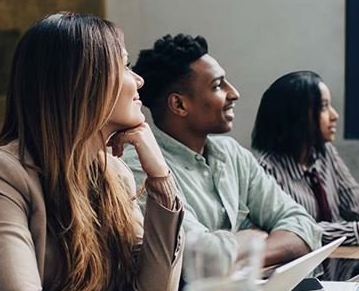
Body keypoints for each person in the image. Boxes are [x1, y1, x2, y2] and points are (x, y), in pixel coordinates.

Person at [0, 13, 184, 291]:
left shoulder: (114, 172)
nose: (139, 80)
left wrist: (160, 178)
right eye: (124, 66)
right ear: (82, 84)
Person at [123, 34, 321, 268]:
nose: (234, 93)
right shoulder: (141, 166)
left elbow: (305, 226)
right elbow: (198, 260)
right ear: (179, 105)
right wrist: (254, 237)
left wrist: (253, 249)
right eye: (217, 86)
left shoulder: (232, 153)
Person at [252, 71, 359, 246]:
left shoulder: (324, 152)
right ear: (295, 116)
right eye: (323, 107)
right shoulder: (265, 170)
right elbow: (300, 232)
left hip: (339, 260)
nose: (334, 115)